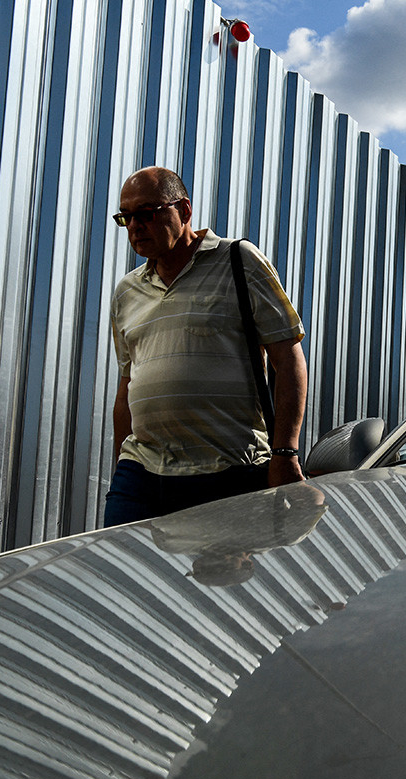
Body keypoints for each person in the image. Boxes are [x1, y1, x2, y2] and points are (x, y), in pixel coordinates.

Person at [104, 166, 308, 526]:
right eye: (126, 217)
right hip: (142, 474)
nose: (135, 226)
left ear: (183, 211)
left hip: (229, 470)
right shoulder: (126, 291)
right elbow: (128, 384)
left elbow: (288, 360)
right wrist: (120, 463)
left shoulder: (238, 260)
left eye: (146, 214)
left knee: (223, 581)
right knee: (124, 577)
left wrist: (285, 453)